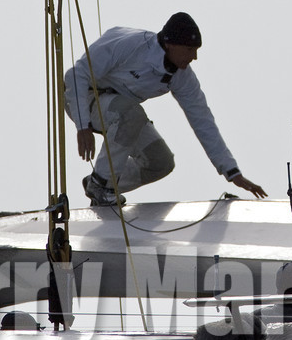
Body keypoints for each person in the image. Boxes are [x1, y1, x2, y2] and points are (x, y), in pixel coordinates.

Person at [64, 12, 267, 207]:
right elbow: (76, 75)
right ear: (170, 44)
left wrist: (231, 172)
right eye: (189, 49)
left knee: (159, 162)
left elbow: (202, 120)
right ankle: (101, 185)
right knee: (131, 114)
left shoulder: (182, 76)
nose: (194, 57)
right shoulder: (131, 44)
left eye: (196, 50)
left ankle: (98, 182)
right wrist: (83, 125)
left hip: (122, 110)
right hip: (81, 95)